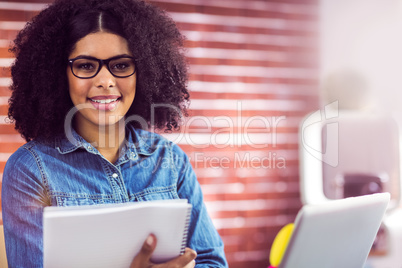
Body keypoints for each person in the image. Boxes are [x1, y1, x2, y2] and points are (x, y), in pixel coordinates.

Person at [2, 0, 228, 267]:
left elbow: (213, 262)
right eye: (86, 66)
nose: (105, 80)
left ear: (142, 72)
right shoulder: (32, 169)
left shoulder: (170, 159)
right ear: (58, 75)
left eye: (120, 65)